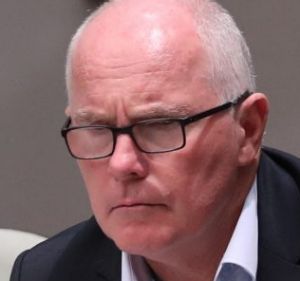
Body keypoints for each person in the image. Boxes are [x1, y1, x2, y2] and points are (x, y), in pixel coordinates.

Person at [10, 0, 300, 280]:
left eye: (159, 125)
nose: (122, 164)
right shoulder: (48, 273)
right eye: (96, 128)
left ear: (248, 129)